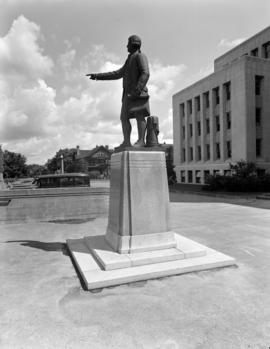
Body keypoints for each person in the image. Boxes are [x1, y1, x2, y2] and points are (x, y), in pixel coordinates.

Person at [86, 35, 150, 151]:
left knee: (139, 115)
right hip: (127, 94)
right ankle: (126, 141)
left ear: (133, 44)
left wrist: (137, 90)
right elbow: (117, 74)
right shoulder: (129, 59)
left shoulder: (140, 56)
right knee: (124, 117)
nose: (126, 46)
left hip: (138, 93)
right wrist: (97, 76)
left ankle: (141, 140)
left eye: (128, 43)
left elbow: (145, 73)